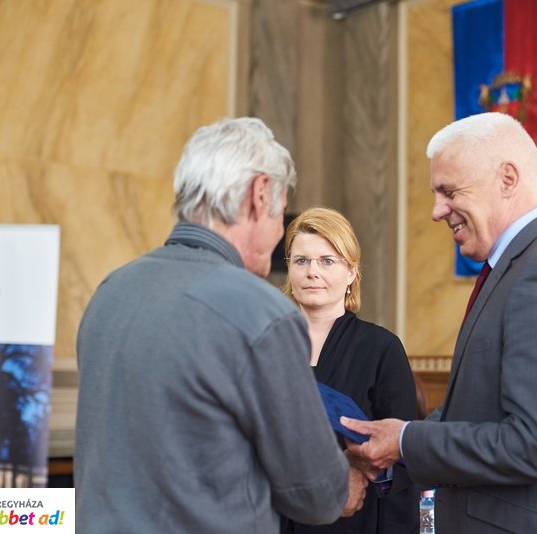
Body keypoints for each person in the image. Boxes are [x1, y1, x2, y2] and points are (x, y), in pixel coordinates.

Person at [74, 117, 366, 533]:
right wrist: (347, 481)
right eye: (281, 213)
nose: (279, 232)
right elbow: (315, 495)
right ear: (259, 194)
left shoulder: (110, 293)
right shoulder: (260, 312)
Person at [342, 112, 537, 533]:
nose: (437, 211)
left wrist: (404, 440)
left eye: (449, 191)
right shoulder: (519, 267)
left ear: (507, 179)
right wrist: (386, 452)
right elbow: (475, 411)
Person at [279, 207, 419, 534]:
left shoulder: (381, 348)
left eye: (327, 261)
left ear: (351, 272)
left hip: (353, 520)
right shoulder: (268, 346)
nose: (312, 272)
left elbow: (402, 463)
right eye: (301, 261)